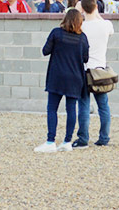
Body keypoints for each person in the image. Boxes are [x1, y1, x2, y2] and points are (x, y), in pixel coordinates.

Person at [35, 9, 89, 153]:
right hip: (75, 77)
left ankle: (50, 141)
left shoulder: (56, 33)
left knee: (52, 108)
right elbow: (85, 58)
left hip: (57, 76)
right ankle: (67, 141)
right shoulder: (82, 38)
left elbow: (45, 51)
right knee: (71, 109)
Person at [74, 0, 113, 148]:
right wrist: (96, 12)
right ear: (96, 7)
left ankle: (83, 138)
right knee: (103, 106)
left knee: (83, 105)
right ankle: (104, 138)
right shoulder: (105, 24)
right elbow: (108, 28)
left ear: (82, 8)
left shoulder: (81, 26)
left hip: (83, 69)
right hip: (99, 70)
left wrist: (78, 10)